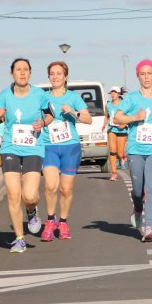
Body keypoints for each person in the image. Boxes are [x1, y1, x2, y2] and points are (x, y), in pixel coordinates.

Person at [0, 58, 53, 253]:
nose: (22, 73)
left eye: (26, 70)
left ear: (30, 73)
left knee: (30, 195)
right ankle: (19, 238)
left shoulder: (39, 94)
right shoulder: (4, 95)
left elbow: (50, 114)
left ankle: (31, 211)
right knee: (13, 195)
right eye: (18, 69)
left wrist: (43, 122)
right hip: (10, 148)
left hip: (33, 147)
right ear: (12, 74)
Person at [114, 59, 152, 242]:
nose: (146, 77)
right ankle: (138, 209)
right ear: (138, 76)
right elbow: (117, 118)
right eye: (143, 73)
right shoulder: (131, 98)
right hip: (136, 149)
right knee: (138, 190)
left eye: (149, 73)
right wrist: (135, 117)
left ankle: (149, 227)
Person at [40, 61, 92, 242]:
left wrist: (73, 112)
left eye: (59, 73)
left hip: (70, 147)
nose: (55, 77)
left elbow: (88, 119)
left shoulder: (73, 97)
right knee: (50, 186)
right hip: (49, 146)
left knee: (66, 189)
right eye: (52, 74)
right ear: (49, 77)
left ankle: (62, 222)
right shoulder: (43, 98)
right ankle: (49, 221)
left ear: (65, 76)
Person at [102, 86, 128, 181]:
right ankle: (114, 173)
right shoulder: (108, 105)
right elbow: (106, 116)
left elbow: (129, 116)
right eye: (111, 92)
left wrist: (124, 123)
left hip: (121, 130)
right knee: (112, 150)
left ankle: (123, 156)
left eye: (115, 92)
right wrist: (104, 125)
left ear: (119, 94)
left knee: (120, 154)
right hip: (111, 129)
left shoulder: (124, 104)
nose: (113, 94)